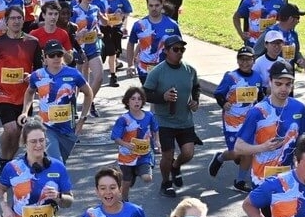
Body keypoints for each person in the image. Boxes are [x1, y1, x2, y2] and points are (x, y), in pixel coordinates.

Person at [234, 61, 305, 217]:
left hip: (289, 179)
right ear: (269, 83)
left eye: (288, 84)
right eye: (279, 84)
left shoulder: (298, 107)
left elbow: (303, 140)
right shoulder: (258, 112)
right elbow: (239, 146)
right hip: (264, 181)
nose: (284, 89)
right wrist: (262, 147)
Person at [0, 6, 42, 175]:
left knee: (19, 132)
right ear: (6, 21)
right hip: (3, 94)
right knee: (11, 129)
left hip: (24, 96)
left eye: (19, 18)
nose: (16, 21)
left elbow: (38, 69)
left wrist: (31, 77)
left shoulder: (32, 42)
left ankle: (8, 161)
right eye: (13, 18)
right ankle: (4, 159)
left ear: (23, 20)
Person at [143, 35, 201, 198]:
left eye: (182, 49)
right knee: (167, 155)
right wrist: (163, 97)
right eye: (175, 49)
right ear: (166, 51)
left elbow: (196, 87)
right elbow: (145, 94)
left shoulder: (190, 70)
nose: (179, 52)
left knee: (188, 153)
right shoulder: (157, 72)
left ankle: (176, 166)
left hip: (185, 120)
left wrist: (195, 101)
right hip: (164, 120)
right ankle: (166, 183)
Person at [19, 40, 93, 164]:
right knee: (56, 163)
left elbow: (89, 93)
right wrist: (25, 112)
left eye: (59, 54)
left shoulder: (73, 73)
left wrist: (82, 119)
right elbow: (29, 92)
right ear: (45, 58)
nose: (56, 58)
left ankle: (39, 178)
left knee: (57, 164)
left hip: (68, 129)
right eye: (52, 55)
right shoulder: (37, 75)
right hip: (46, 128)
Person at [208, 48, 263, 192]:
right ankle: (220, 157)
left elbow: (260, 95)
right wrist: (223, 103)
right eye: (242, 59)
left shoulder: (257, 77)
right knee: (236, 153)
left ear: (253, 60)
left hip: (249, 122)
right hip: (232, 121)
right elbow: (219, 93)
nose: (245, 63)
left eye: (248, 59)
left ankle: (239, 181)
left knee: (248, 151)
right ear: (238, 60)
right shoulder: (231, 77)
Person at [110, 86, 160, 203]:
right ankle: (124, 201)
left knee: (147, 178)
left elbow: (155, 129)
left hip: (144, 154)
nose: (136, 101)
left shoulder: (149, 116)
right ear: (128, 101)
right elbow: (115, 137)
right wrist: (125, 144)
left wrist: (157, 141)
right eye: (133, 99)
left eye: (139, 99)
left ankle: (137, 170)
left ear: (143, 101)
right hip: (127, 156)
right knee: (126, 182)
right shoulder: (123, 119)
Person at [126, 0, 182, 81]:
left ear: (162, 5)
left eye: (157, 5)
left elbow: (179, 47)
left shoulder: (172, 25)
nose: (154, 8)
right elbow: (131, 44)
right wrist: (130, 64)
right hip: (145, 70)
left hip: (166, 69)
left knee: (164, 94)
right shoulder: (139, 25)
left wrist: (177, 65)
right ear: (147, 6)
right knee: (149, 94)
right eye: (151, 5)